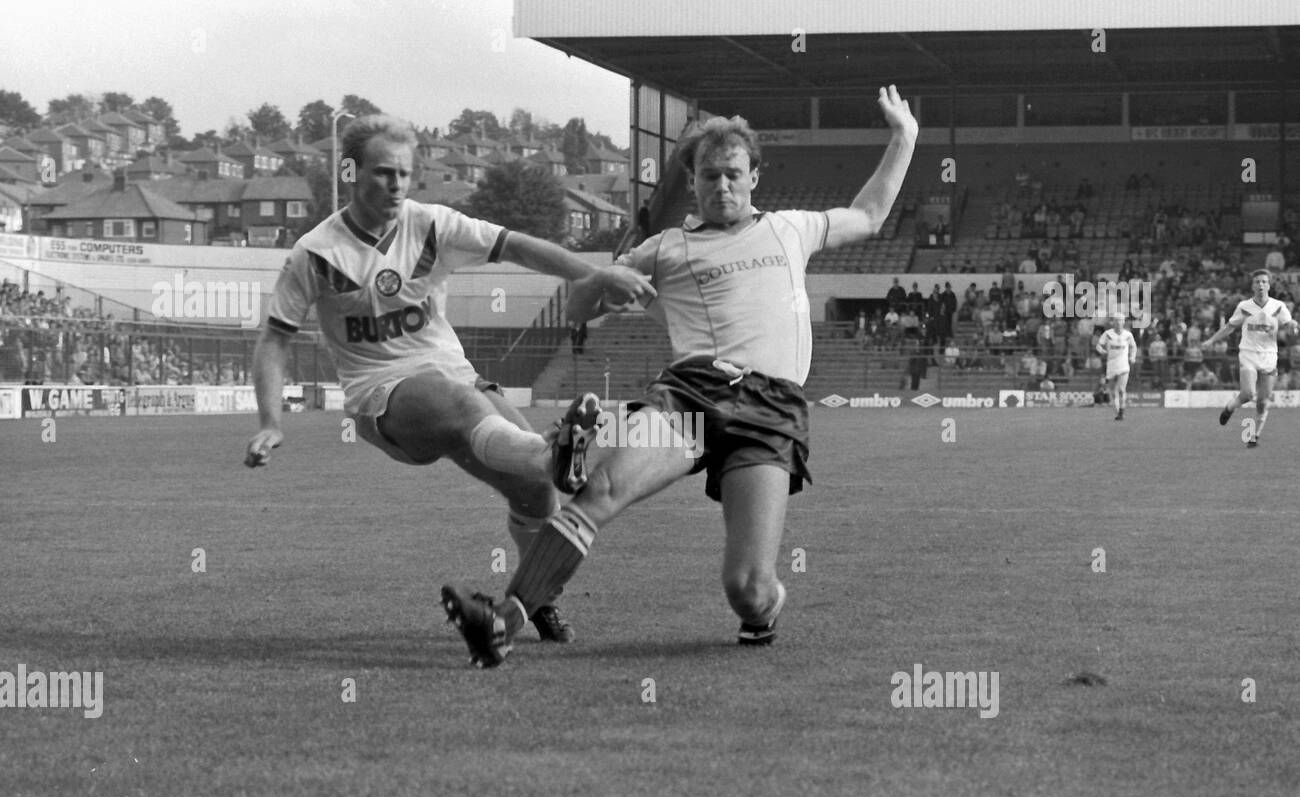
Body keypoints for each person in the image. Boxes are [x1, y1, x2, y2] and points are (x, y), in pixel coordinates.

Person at [441, 86, 918, 667]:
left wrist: (905, 136)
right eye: (709, 175)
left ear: (754, 178)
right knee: (602, 491)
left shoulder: (793, 229)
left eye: (734, 175)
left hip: (770, 411)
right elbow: (577, 309)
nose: (722, 186)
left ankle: (763, 608)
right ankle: (502, 624)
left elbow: (869, 215)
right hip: (690, 396)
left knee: (747, 589)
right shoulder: (663, 248)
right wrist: (601, 285)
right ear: (691, 181)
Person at [243, 114, 652, 650]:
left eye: (405, 174)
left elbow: (519, 246)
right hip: (382, 396)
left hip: (459, 380)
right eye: (384, 172)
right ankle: (553, 451)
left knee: (535, 492)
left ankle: (530, 602)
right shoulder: (315, 253)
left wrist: (592, 275)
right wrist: (271, 423)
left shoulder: (432, 224)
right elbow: (274, 338)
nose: (396, 185)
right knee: (460, 403)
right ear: (350, 172)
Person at [1205, 269, 1298, 448]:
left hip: (1269, 356)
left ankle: (1254, 436)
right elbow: (1229, 328)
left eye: (1264, 281)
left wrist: (1293, 326)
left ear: (1269, 285)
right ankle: (1229, 408)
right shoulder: (1244, 306)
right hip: (1248, 354)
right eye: (1257, 282)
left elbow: (1288, 326)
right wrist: (1211, 340)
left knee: (1263, 401)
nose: (1261, 284)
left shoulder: (1278, 306)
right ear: (1253, 286)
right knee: (1248, 394)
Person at [1096, 312, 1137, 420]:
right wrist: (1102, 350)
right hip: (1111, 365)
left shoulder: (1128, 335)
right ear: (1113, 322)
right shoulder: (1108, 334)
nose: (1118, 322)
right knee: (1113, 391)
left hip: (1123, 364)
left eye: (1120, 320)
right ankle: (1118, 411)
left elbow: (1133, 347)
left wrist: (1132, 357)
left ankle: (1122, 411)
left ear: (1124, 322)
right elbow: (1098, 345)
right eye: (1116, 320)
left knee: (1121, 389)